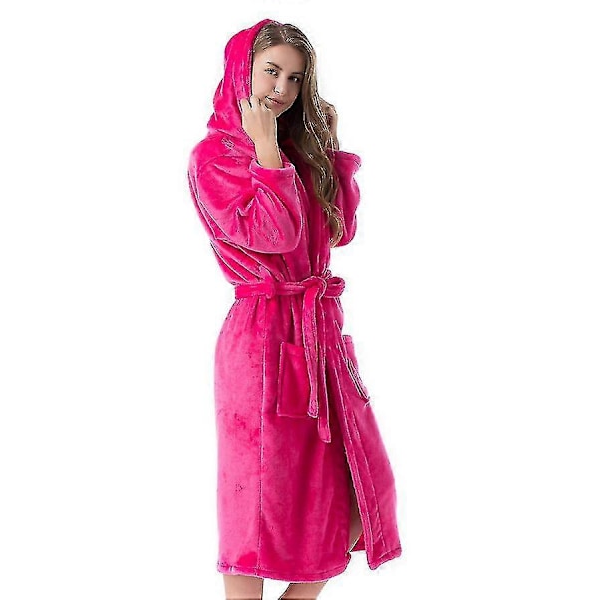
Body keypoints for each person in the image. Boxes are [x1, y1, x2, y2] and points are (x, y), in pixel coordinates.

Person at [187, 18, 402, 600]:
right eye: (271, 71)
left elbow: (341, 229)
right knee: (255, 507)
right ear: (243, 71)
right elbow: (273, 235)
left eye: (295, 78)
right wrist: (264, 151)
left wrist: (326, 148)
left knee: (356, 497)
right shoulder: (215, 157)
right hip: (260, 342)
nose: (281, 88)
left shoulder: (293, 150)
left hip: (317, 336)